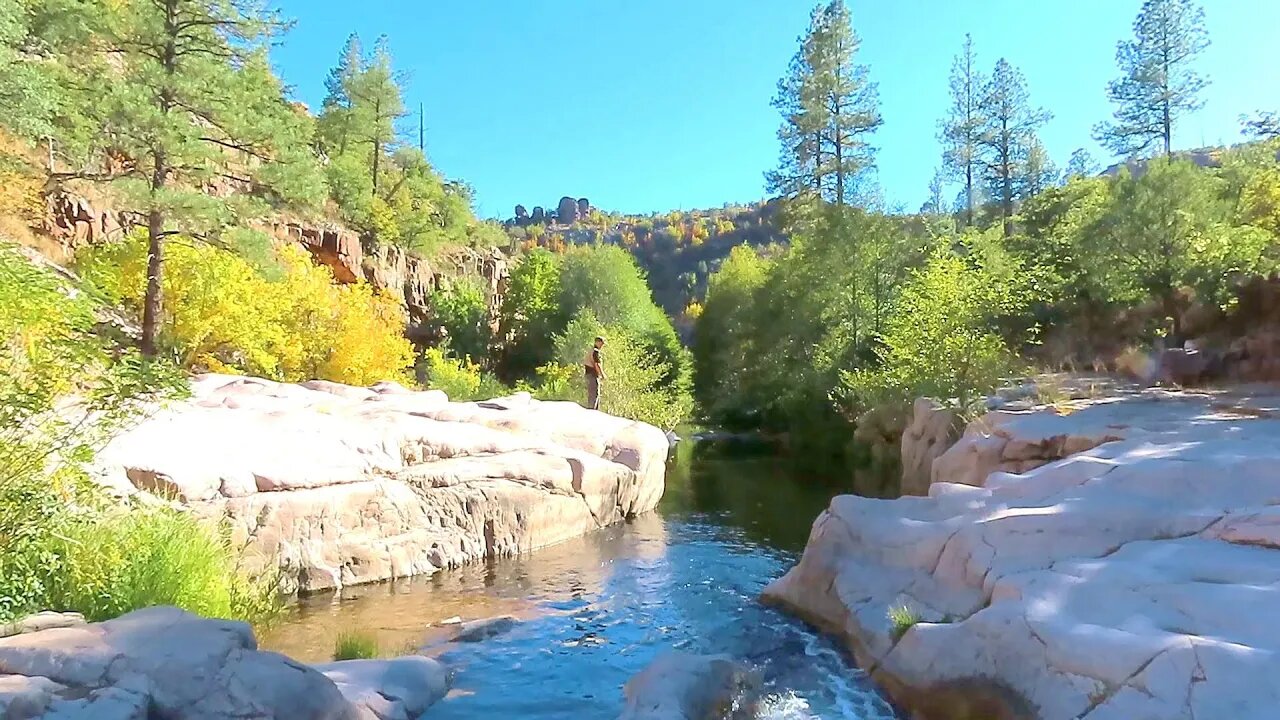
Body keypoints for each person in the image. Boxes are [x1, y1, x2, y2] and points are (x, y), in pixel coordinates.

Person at [583, 335, 606, 410]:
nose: (602, 345)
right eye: (601, 343)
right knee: (594, 394)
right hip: (593, 375)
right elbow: (597, 364)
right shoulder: (595, 352)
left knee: (591, 394)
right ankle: (592, 412)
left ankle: (592, 410)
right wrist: (602, 375)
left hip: (588, 374)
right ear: (597, 342)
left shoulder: (591, 350)